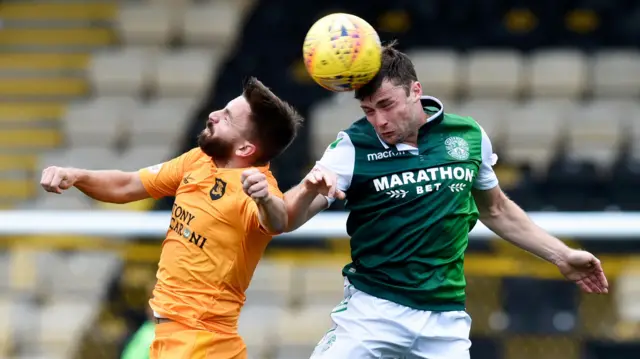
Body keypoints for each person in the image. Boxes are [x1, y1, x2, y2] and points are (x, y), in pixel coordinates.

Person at [284, 43, 609, 359]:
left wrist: (562, 254)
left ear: (415, 90)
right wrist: (306, 189)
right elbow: (285, 219)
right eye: (369, 110)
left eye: (386, 104)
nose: (379, 121)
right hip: (372, 311)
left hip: (443, 320)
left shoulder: (467, 136)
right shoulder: (353, 146)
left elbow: (496, 209)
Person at [40, 77, 303, 359]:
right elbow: (127, 185)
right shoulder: (198, 161)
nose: (213, 115)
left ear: (244, 149)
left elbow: (277, 221)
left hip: (201, 343)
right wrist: (77, 175)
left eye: (227, 118)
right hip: (171, 337)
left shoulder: (255, 187)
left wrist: (263, 198)